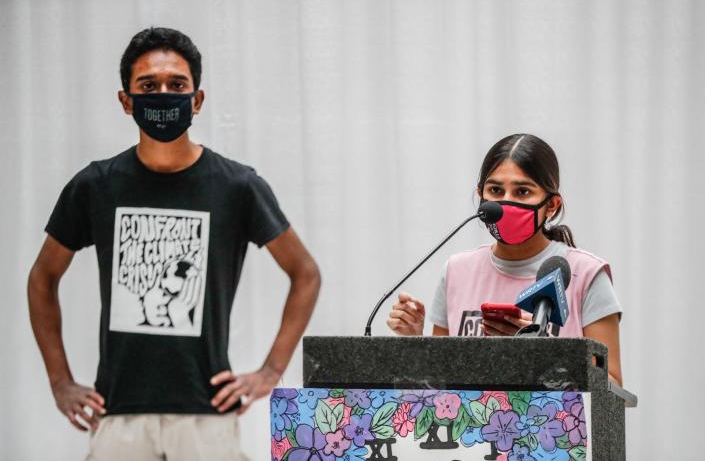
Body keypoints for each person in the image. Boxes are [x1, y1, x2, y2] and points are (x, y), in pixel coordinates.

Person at [27, 27, 321, 460]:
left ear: (197, 99)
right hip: (118, 411)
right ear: (126, 101)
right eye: (148, 85)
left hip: (207, 413)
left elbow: (305, 273)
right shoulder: (96, 185)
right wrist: (59, 381)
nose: (163, 94)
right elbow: (43, 278)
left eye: (176, 85)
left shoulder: (237, 186)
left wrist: (271, 371)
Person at [386, 133, 623, 385]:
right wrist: (413, 342)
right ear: (481, 196)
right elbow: (439, 380)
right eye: (496, 190)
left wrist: (542, 356)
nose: (506, 203)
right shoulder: (457, 270)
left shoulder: (585, 274)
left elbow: (612, 385)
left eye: (522, 191)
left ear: (551, 205)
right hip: (466, 424)